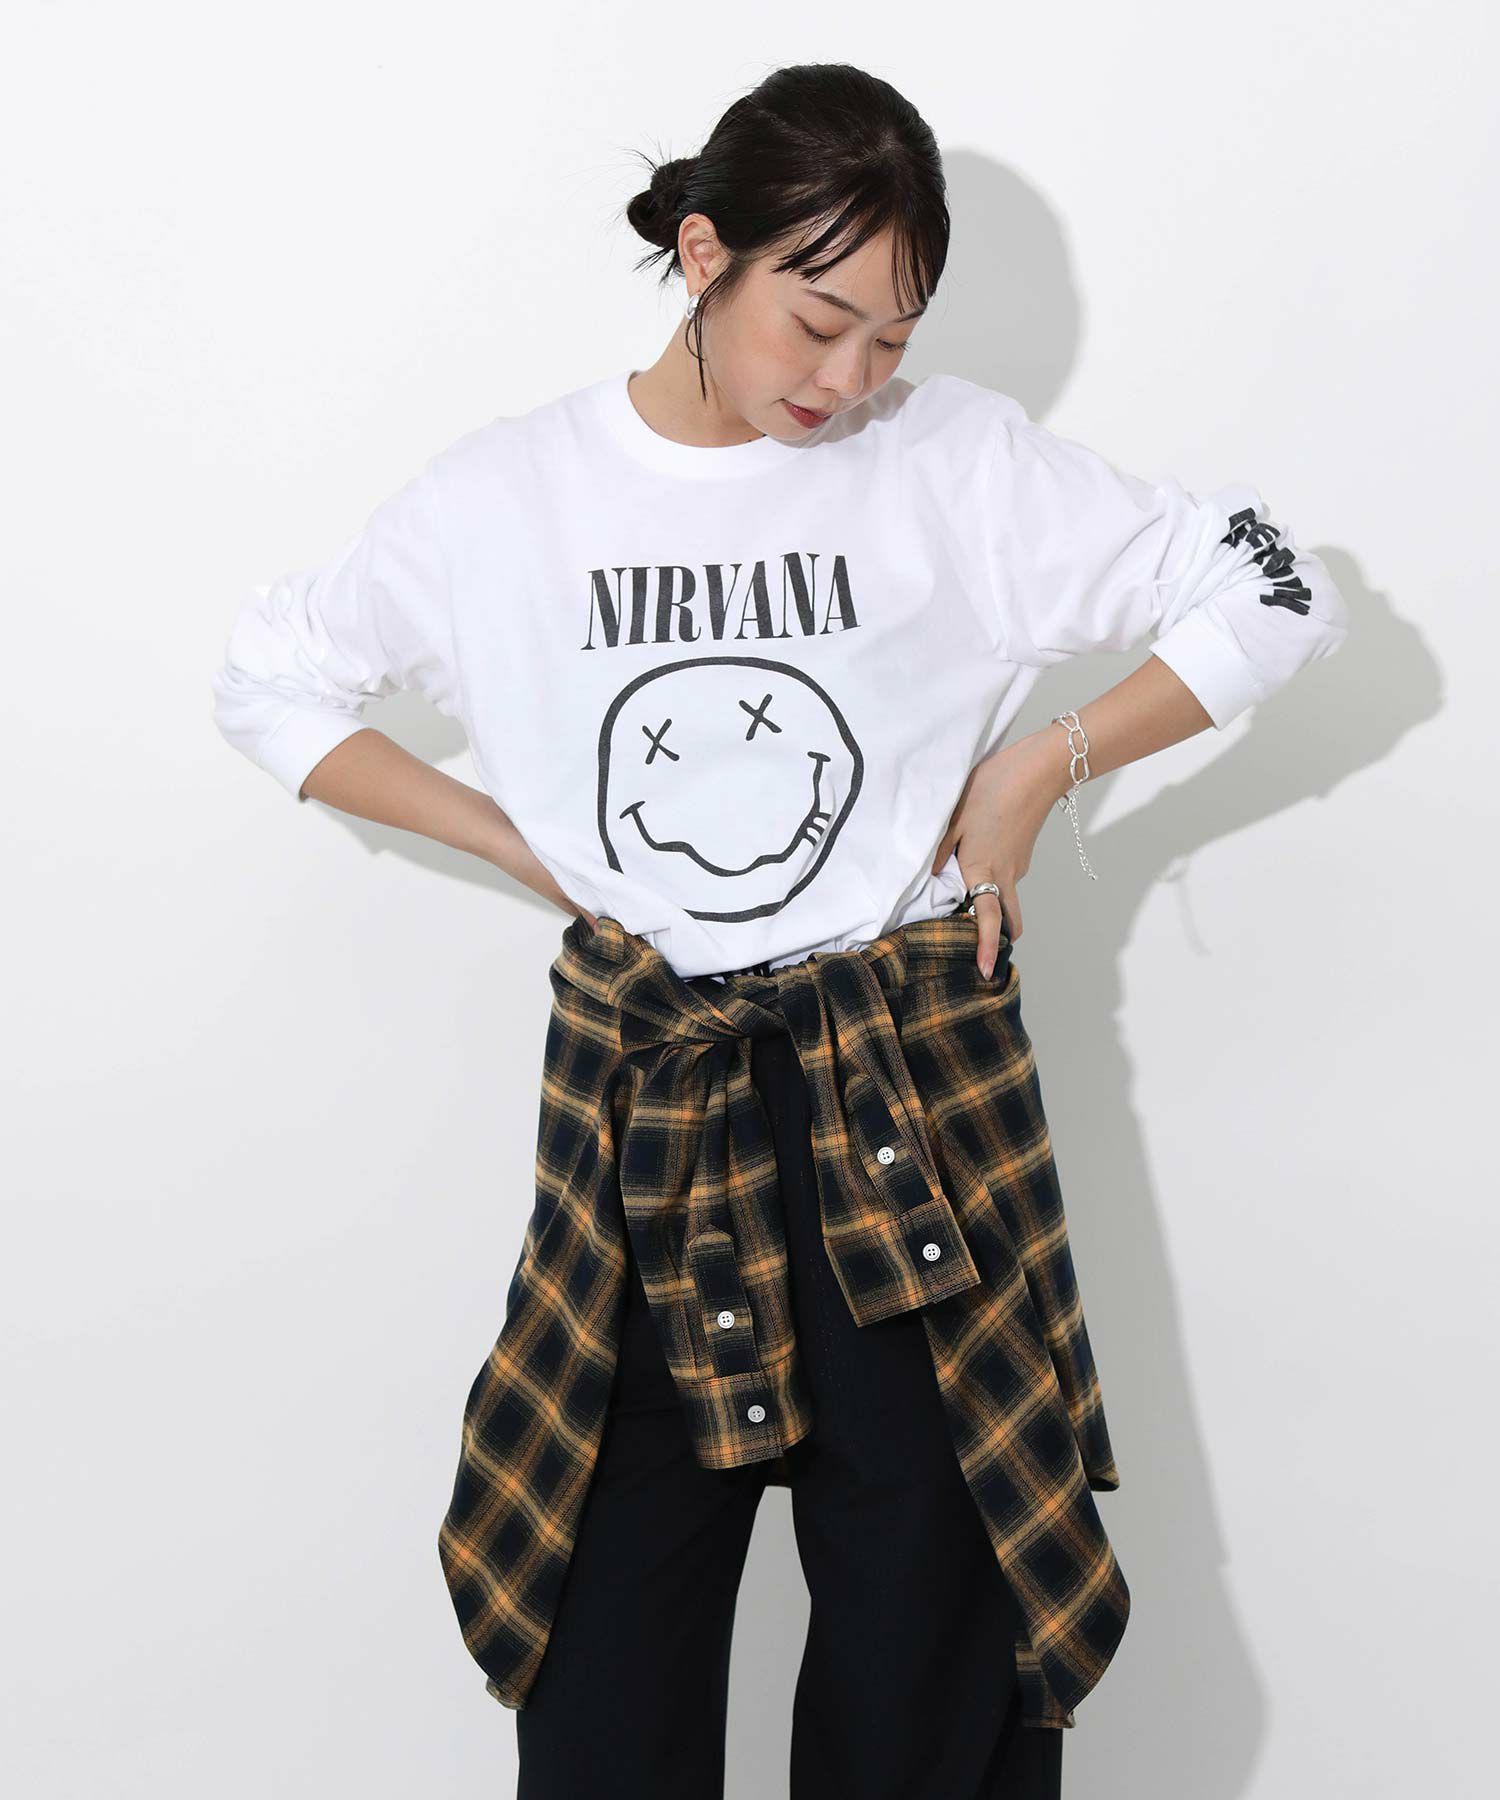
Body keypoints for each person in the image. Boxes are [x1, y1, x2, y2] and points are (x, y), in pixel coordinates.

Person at [210, 61, 1350, 1800]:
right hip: (650, 1102)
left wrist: (1036, 770)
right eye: (818, 323)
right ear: (703, 254)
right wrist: (524, 849)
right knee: (603, 1655)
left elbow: (1277, 588)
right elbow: (268, 680)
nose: (851, 379)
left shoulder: (953, 464)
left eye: (891, 337)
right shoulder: (510, 498)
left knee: (928, 1660)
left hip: (909, 1100)